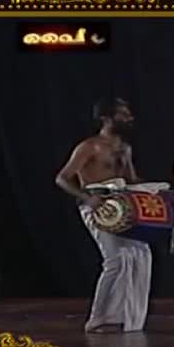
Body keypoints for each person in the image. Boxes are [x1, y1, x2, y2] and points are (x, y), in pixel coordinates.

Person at [55, 97, 152, 333]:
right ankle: (98, 318)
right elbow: (62, 178)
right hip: (99, 205)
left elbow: (130, 179)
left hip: (124, 205)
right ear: (106, 118)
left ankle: (125, 318)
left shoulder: (125, 148)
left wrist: (154, 189)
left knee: (140, 255)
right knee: (115, 260)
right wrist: (87, 198)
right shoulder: (90, 146)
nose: (129, 118)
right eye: (123, 114)